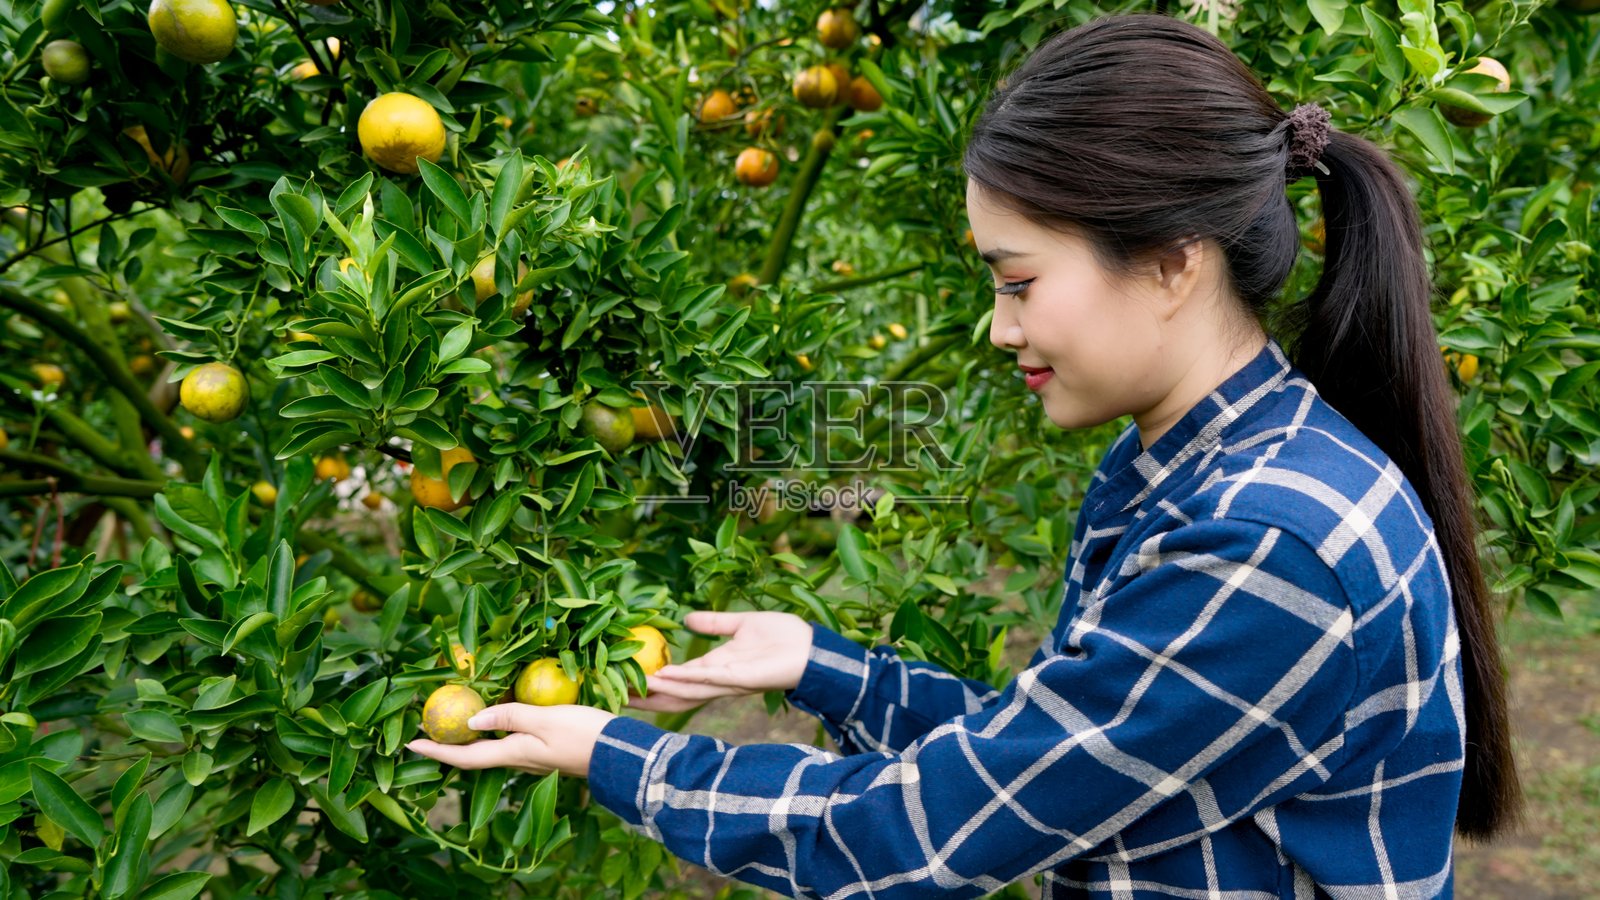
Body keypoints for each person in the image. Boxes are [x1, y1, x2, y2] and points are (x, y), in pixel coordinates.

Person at [407, 13, 1521, 897]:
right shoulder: (1187, 472)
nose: (1000, 327)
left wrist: (615, 755)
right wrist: (819, 663)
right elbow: (1055, 758)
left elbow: (920, 833)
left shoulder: (1267, 542)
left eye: (1021, 280)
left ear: (1176, 263)